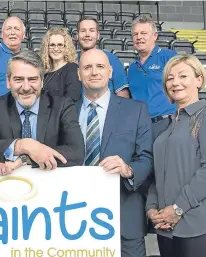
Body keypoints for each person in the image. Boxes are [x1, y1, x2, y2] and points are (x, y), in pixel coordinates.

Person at [146, 54, 206, 257]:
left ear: (199, 79)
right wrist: (151, 208)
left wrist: (178, 208)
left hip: (201, 226)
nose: (175, 83)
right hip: (167, 228)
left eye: (183, 76)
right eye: (170, 78)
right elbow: (158, 175)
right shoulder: (168, 126)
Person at [77, 49, 153, 257]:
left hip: (124, 218)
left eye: (100, 66)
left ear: (110, 72)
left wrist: (128, 170)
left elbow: (146, 158)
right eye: (87, 67)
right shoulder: (64, 111)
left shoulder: (136, 110)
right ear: (79, 74)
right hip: (74, 219)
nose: (94, 72)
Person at [0, 50, 84, 175]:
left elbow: (77, 152)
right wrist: (21, 145)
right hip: (8, 185)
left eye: (32, 79)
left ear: (42, 81)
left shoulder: (62, 105)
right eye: (19, 79)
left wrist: (27, 159)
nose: (26, 87)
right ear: (8, 82)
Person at [128, 15, 178, 138]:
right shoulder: (132, 68)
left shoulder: (169, 57)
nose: (139, 37)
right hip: (140, 128)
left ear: (154, 36)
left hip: (167, 124)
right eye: (135, 34)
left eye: (144, 33)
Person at [77, 17, 130, 98]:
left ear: (98, 35)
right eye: (83, 31)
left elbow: (122, 95)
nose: (87, 34)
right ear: (77, 35)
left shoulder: (111, 59)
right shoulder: (71, 61)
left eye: (91, 30)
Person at [40, 27, 82, 102]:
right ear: (47, 48)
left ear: (66, 48)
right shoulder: (45, 72)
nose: (56, 49)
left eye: (60, 45)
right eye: (52, 45)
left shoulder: (72, 69)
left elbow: (72, 99)